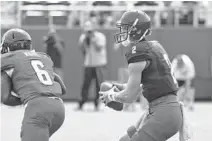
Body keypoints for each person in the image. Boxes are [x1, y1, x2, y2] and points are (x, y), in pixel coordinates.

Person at [99, 10, 191, 141]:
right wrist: (124, 87)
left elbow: (130, 97)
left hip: (164, 112)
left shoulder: (138, 51)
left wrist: (111, 96)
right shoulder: (153, 46)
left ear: (135, 29)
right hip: (164, 109)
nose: (122, 31)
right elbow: (150, 83)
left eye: (125, 28)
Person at [1, 28, 66, 141]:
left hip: (38, 109)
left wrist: (28, 98)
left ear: (8, 47)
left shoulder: (7, 60)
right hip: (59, 108)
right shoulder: (42, 57)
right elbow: (63, 88)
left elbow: (5, 98)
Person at [77, 20, 107, 111]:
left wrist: (93, 39)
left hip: (99, 64)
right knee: (85, 85)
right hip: (89, 64)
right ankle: (82, 102)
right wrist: (85, 39)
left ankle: (97, 103)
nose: (88, 32)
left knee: (99, 85)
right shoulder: (83, 37)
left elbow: (99, 48)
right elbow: (82, 49)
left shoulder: (100, 36)